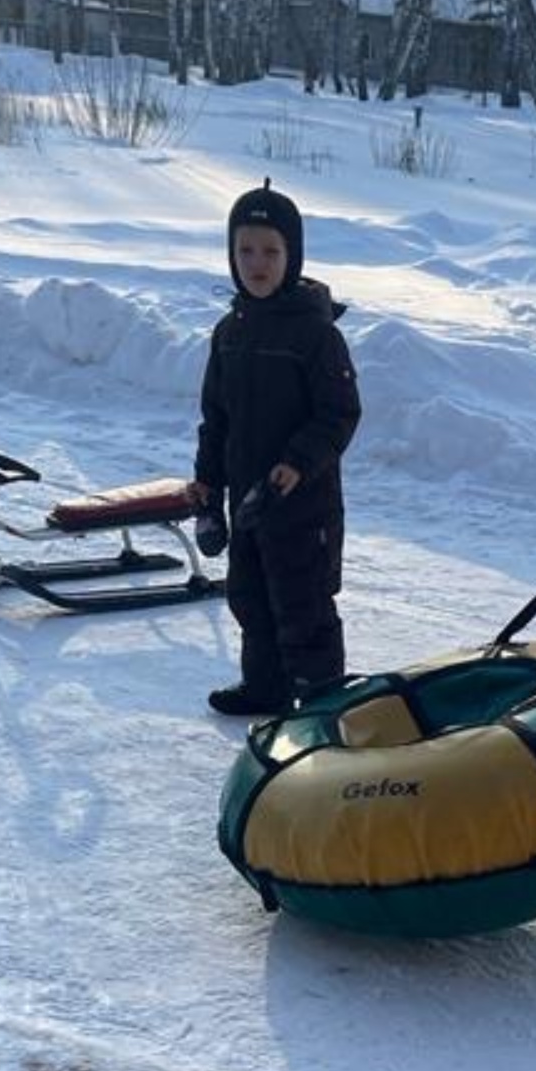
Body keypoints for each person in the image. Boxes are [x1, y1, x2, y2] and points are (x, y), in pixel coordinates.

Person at [194, 182, 360, 715]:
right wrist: (207, 480)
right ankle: (264, 686)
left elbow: (338, 414)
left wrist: (296, 463)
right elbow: (215, 418)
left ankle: (321, 704)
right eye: (245, 250)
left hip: (301, 504)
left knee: (303, 602)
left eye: (270, 251)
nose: (256, 263)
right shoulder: (228, 333)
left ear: (292, 257)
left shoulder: (316, 335)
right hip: (246, 500)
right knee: (250, 597)